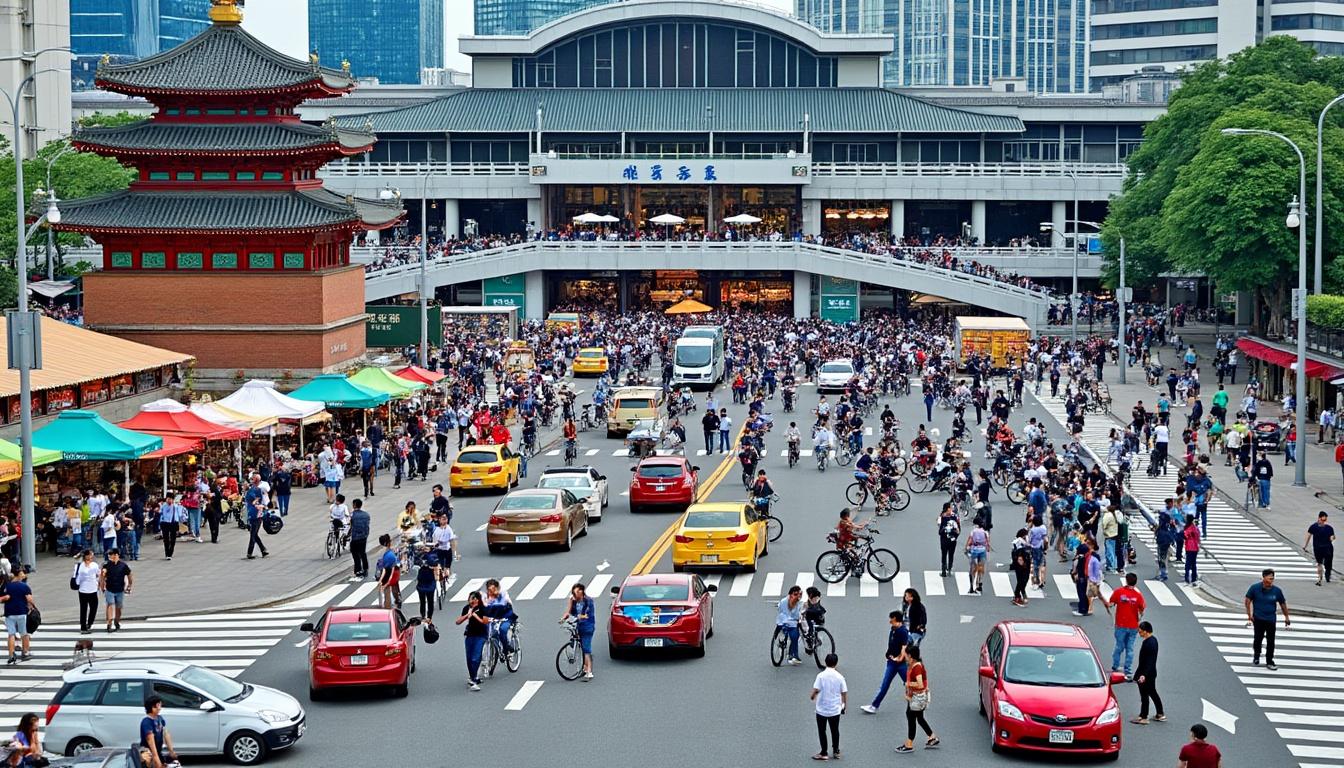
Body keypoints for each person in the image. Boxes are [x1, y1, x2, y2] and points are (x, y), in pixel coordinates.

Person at [860, 610, 909, 715]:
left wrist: (900, 658)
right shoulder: (893, 629)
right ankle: (874, 706)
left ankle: (921, 696)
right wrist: (888, 654)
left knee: (909, 682)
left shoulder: (903, 631)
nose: (889, 621)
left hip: (900, 664)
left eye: (891, 618)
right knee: (885, 685)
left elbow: (904, 647)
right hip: (892, 662)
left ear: (896, 619)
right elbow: (891, 643)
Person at [894, 644, 939, 754]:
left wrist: (908, 684)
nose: (905, 658)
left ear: (911, 656)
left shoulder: (917, 667)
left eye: (906, 656)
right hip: (917, 697)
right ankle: (932, 736)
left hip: (917, 698)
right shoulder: (914, 665)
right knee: (919, 718)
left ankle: (909, 744)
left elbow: (919, 684)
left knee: (911, 717)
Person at [1244, 568, 1291, 670]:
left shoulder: (1277, 591)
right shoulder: (1255, 588)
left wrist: (1286, 617)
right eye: (1270, 578)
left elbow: (1282, 604)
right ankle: (1257, 655)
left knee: (1271, 641)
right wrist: (1249, 615)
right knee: (1258, 638)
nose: (1271, 581)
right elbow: (1247, 601)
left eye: (1272, 579)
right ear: (1263, 578)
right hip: (1258, 618)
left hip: (1271, 619)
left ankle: (1269, 661)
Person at [1106, 572, 1146, 678]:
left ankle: (1115, 665)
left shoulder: (1119, 592)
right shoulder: (1138, 595)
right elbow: (1142, 609)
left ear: (1126, 581)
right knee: (1130, 648)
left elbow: (1111, 603)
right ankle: (1128, 670)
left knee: (1119, 646)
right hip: (1133, 626)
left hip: (1121, 624)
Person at [810, 653, 847, 761]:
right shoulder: (840, 677)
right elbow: (844, 692)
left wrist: (812, 696)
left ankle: (824, 752)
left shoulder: (821, 676)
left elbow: (816, 689)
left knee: (822, 730)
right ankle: (836, 751)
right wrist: (844, 705)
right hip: (835, 709)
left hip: (822, 709)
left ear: (825, 662)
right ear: (836, 663)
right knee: (835, 730)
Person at [559, 582, 596, 681]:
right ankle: (584, 665)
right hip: (578, 625)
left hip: (587, 626)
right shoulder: (573, 600)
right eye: (574, 593)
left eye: (576, 593)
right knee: (577, 642)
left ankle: (589, 671)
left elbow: (587, 614)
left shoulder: (588, 601)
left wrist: (580, 617)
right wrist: (564, 618)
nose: (575, 596)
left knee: (586, 648)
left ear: (582, 592)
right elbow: (568, 611)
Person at [1130, 621, 1165, 724]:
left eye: (1140, 632)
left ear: (1145, 631)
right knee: (1152, 692)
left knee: (1144, 695)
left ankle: (1143, 716)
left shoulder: (1149, 643)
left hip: (1146, 673)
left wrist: (1143, 675)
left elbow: (1149, 661)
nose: (1139, 634)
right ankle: (1160, 713)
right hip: (1151, 672)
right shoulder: (1153, 640)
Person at [457, 590, 489, 690]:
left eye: (473, 598)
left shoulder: (483, 608)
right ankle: (473, 677)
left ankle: (473, 680)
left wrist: (475, 616)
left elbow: (485, 621)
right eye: (470, 598)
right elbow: (458, 621)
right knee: (469, 658)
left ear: (477, 599)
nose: (470, 601)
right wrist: (468, 615)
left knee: (476, 656)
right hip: (469, 635)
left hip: (481, 635)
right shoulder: (466, 608)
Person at [1, 567, 33, 664]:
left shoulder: (7, 586)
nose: (24, 575)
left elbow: (2, 597)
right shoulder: (24, 586)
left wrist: (6, 598)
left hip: (9, 613)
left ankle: (11, 654)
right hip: (21, 612)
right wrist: (32, 607)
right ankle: (25, 652)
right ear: (18, 574)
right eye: (22, 573)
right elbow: (29, 599)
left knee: (11, 634)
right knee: (24, 633)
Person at [99, 548, 132, 633]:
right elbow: (102, 576)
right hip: (109, 589)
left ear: (117, 555)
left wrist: (129, 585)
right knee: (110, 604)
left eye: (112, 554)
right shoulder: (106, 565)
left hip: (120, 589)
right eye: (109, 555)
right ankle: (109, 624)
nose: (110, 556)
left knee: (119, 607)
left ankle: (117, 621)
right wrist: (102, 586)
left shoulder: (123, 565)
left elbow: (129, 575)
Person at [139, 695, 177, 768]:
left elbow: (166, 734)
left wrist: (171, 752)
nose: (160, 707)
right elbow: (151, 741)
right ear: (153, 707)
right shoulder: (146, 722)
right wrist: (157, 760)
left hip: (158, 750)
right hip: (148, 753)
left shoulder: (159, 718)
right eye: (159, 705)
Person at [73, 549, 101, 635]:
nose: (92, 556)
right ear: (87, 556)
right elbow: (98, 574)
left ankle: (85, 625)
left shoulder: (80, 565)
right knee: (89, 608)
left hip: (87, 589)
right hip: (86, 589)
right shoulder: (89, 566)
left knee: (87, 608)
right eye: (91, 555)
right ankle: (87, 624)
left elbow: (98, 574)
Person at [1304, 510, 1336, 585]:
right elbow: (1308, 536)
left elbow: (1332, 537)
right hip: (1319, 548)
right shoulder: (1314, 527)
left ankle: (1327, 575)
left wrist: (1332, 537)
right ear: (1319, 518)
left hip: (1327, 548)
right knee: (1319, 563)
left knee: (1327, 563)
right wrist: (1305, 546)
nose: (1324, 521)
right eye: (1323, 519)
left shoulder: (1329, 528)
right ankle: (1320, 578)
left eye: (1325, 520)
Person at [776, 585, 803, 666]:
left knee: (793, 634)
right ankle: (793, 655)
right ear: (791, 594)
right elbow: (797, 615)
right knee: (795, 636)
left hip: (783, 622)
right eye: (796, 594)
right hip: (789, 623)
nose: (798, 596)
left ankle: (790, 651)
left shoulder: (784, 601)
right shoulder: (794, 603)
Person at [243, 477, 269, 560]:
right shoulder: (258, 490)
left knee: (253, 534)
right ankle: (263, 549)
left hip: (254, 514)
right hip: (258, 514)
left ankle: (249, 552)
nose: (243, 486)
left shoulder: (251, 492)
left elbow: (255, 502)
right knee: (254, 533)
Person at [964, 516, 991, 594]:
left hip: (974, 550)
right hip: (982, 550)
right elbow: (988, 544)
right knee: (981, 567)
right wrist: (987, 550)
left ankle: (971, 586)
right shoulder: (985, 532)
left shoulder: (973, 531)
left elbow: (969, 541)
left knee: (972, 568)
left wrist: (966, 549)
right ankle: (979, 583)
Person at [376, 534, 402, 609]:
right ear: (387, 543)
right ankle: (397, 599)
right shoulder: (390, 553)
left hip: (386, 571)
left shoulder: (384, 552)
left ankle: (388, 607)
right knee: (394, 586)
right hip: (393, 571)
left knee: (386, 590)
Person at [415, 550, 440, 621]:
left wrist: (426, 555)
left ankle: (428, 616)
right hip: (423, 584)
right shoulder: (420, 557)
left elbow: (434, 563)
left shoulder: (431, 557)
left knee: (429, 601)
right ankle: (424, 616)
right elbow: (415, 560)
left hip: (428, 584)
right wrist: (422, 553)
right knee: (424, 602)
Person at [348, 499, 370, 579]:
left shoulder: (352, 515)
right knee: (363, 553)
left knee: (355, 554)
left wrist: (347, 535)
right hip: (364, 536)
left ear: (354, 505)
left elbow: (350, 525)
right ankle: (365, 568)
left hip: (355, 537)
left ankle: (358, 570)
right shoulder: (366, 515)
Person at [158, 495, 185, 560]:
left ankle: (171, 551)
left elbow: (181, 515)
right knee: (166, 539)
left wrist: (181, 522)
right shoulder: (163, 506)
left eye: (170, 499)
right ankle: (167, 553)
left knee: (173, 539)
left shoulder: (176, 506)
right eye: (168, 499)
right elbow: (160, 513)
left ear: (173, 500)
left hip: (174, 523)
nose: (169, 500)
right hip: (165, 523)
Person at [936, 502, 959, 577]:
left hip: (944, 538)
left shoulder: (941, 516)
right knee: (950, 554)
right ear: (948, 508)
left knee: (944, 554)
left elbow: (938, 524)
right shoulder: (955, 516)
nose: (951, 508)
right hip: (952, 538)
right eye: (950, 507)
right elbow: (958, 528)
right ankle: (948, 568)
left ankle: (944, 570)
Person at [1183, 514, 1201, 585]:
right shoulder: (1195, 528)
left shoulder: (1187, 528)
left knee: (1188, 563)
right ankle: (1194, 577)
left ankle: (1187, 576)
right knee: (1193, 563)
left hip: (1189, 547)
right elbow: (1198, 536)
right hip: (1195, 547)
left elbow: (1185, 536)